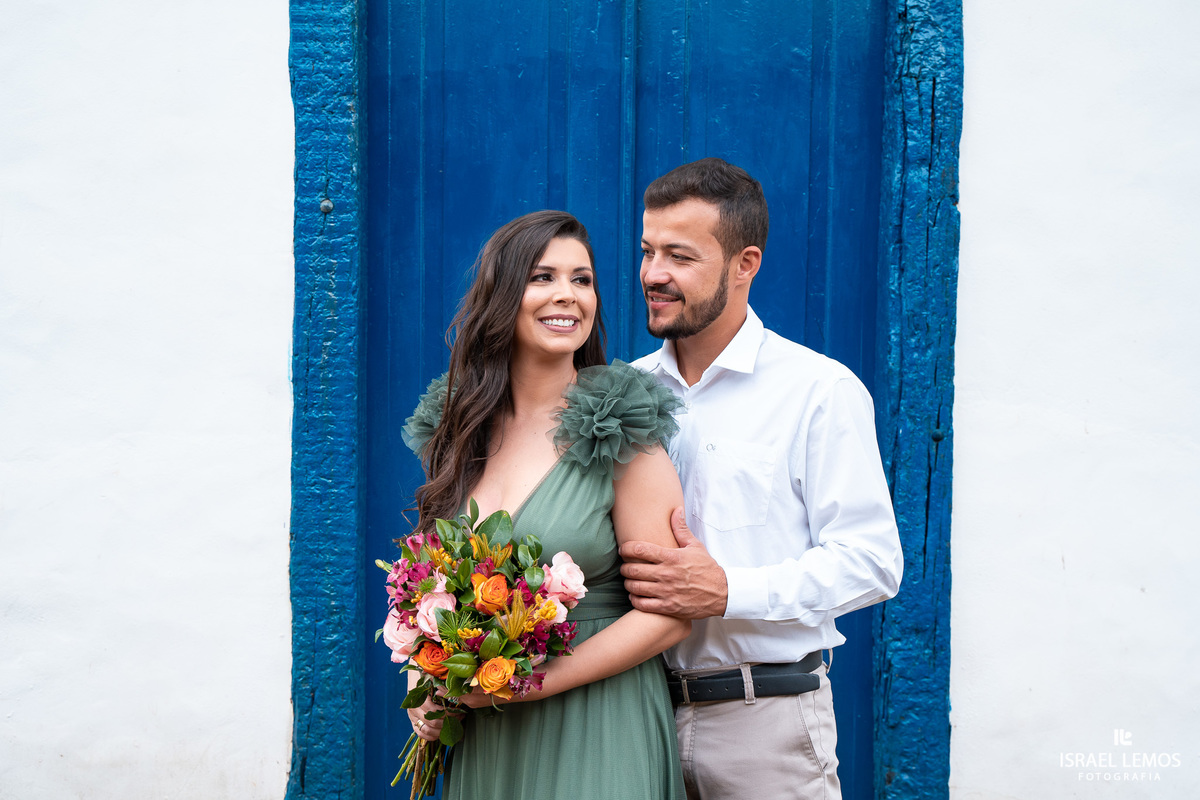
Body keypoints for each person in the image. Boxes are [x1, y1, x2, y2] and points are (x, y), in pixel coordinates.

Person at [619, 158, 904, 800]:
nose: (653, 275)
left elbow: (873, 563)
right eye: (647, 251)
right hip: (633, 723)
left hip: (765, 725)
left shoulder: (818, 391)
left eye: (680, 257)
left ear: (745, 264)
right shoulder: (623, 391)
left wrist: (729, 591)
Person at [402, 210, 690, 799]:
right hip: (489, 734)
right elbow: (430, 585)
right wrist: (427, 674)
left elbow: (671, 614)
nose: (568, 296)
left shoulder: (619, 428)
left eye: (582, 280)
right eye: (543, 277)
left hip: (600, 725)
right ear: (501, 294)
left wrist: (524, 681)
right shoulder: (460, 431)